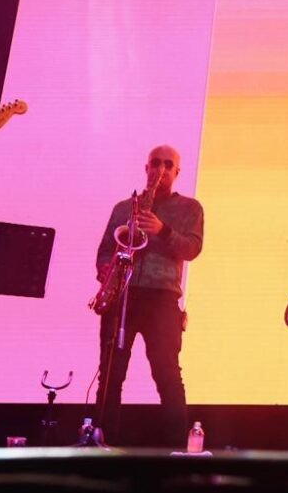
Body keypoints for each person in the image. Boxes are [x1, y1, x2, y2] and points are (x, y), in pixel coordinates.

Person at [93, 144, 204, 446]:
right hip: (123, 295)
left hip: (162, 299)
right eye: (156, 163)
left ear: (177, 172)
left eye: (169, 165)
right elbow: (105, 249)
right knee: (110, 377)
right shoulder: (123, 208)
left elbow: (192, 248)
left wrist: (162, 230)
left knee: (167, 375)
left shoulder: (190, 208)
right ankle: (104, 447)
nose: (161, 170)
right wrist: (106, 270)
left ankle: (176, 451)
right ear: (146, 168)